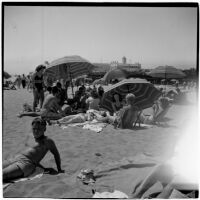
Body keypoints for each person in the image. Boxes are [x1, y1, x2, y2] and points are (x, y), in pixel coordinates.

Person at [3, 118, 64, 182]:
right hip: (15, 158)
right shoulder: (31, 136)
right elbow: (29, 151)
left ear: (44, 129)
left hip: (25, 163)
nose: (36, 131)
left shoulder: (47, 141)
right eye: (34, 129)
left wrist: (59, 169)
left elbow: (56, 154)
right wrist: (42, 168)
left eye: (39, 129)